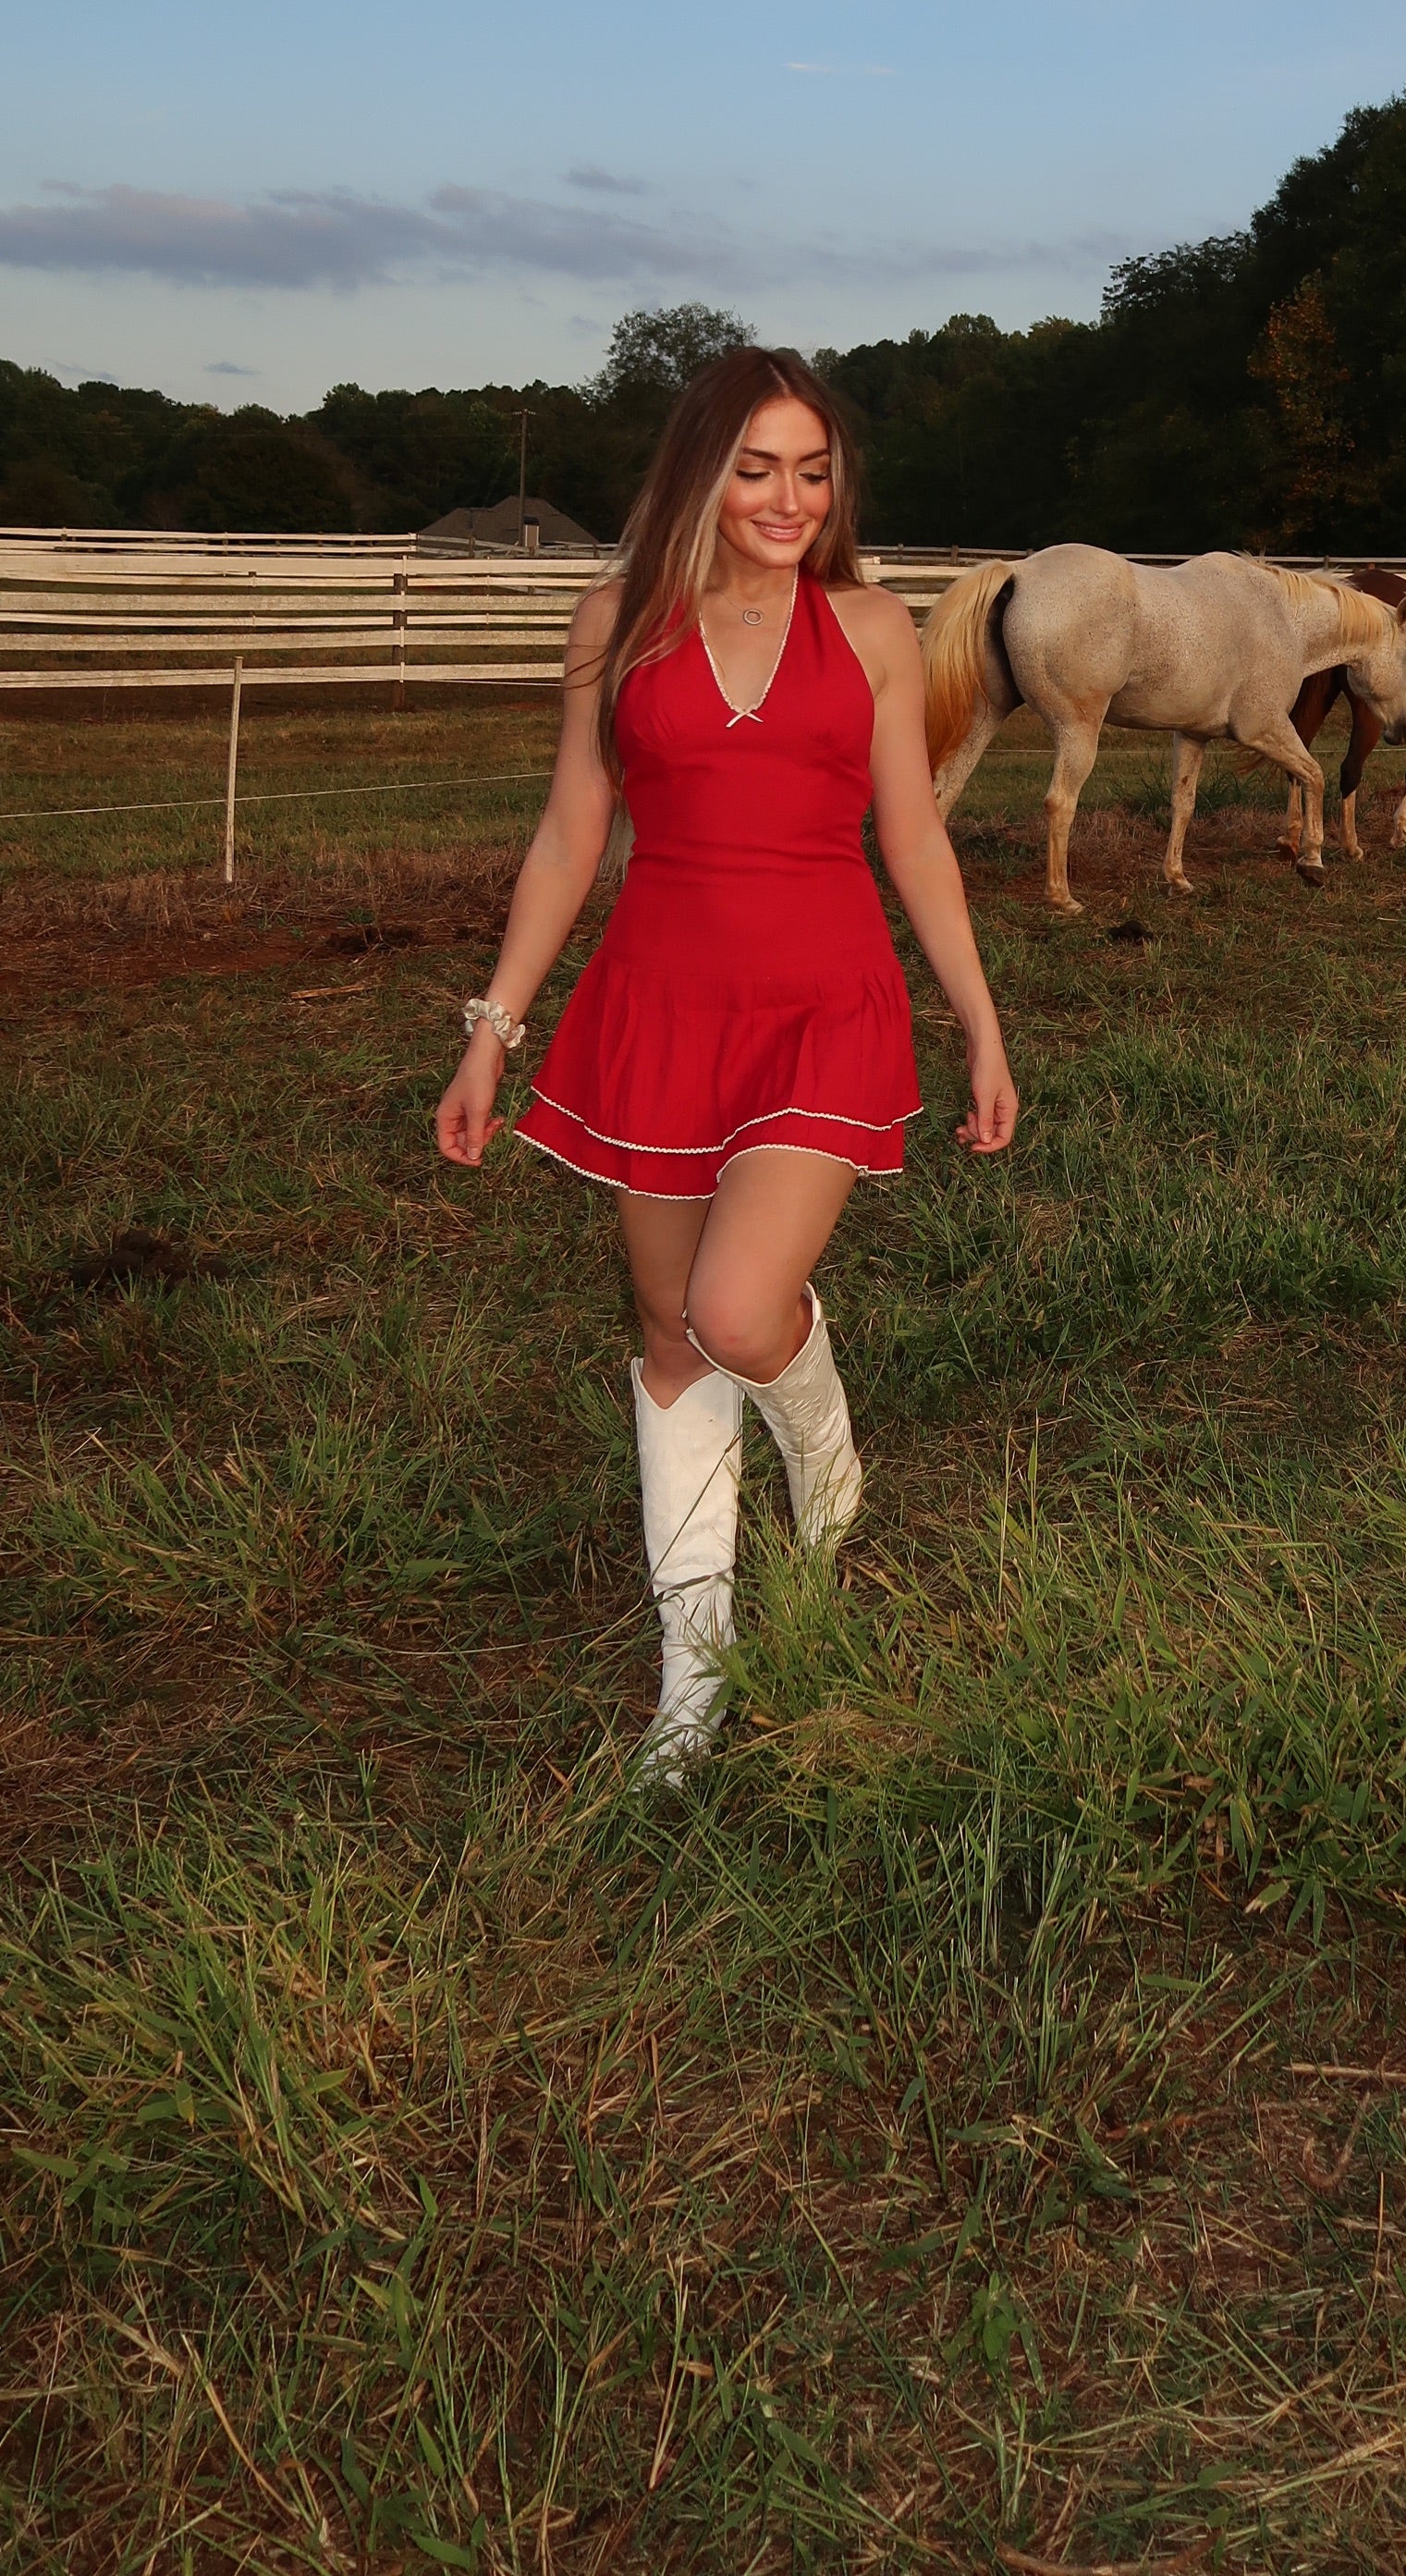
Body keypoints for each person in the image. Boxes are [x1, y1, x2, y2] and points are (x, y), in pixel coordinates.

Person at [434, 346, 1018, 1779]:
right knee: (671, 1334)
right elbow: (574, 836)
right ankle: (689, 1690)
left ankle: (827, 1471)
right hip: (658, 1009)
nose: (789, 497)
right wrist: (491, 1036)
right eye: (756, 467)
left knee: (741, 1308)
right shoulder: (614, 623)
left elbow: (915, 838)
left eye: (812, 471)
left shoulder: (875, 629)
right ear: (699, 470)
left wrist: (981, 1023)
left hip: (824, 1007)